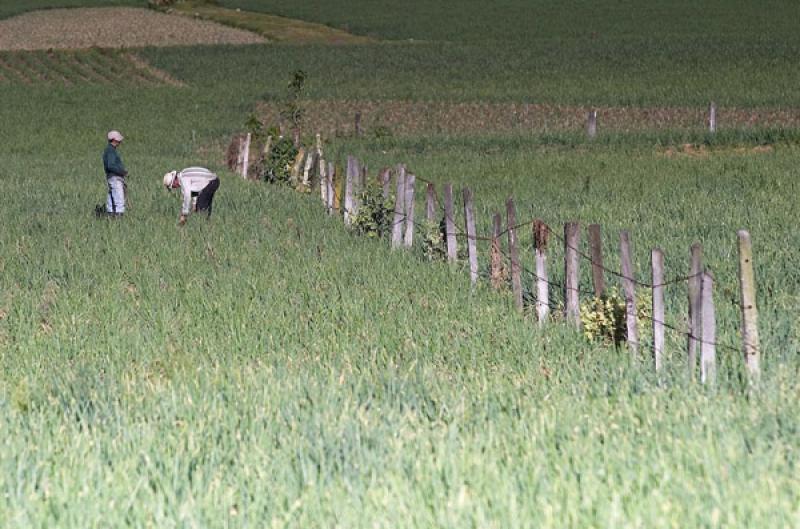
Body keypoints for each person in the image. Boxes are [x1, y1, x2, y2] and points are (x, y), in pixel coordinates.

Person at [102, 130, 128, 216]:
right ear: (114, 140)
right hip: (115, 178)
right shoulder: (110, 151)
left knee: (112, 198)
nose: (120, 142)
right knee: (119, 199)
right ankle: (118, 218)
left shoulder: (110, 150)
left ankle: (110, 216)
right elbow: (111, 165)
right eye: (118, 140)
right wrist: (122, 171)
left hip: (112, 177)